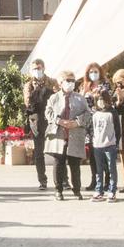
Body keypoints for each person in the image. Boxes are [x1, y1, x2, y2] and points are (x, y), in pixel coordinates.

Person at [45, 71, 88, 200]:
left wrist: (77, 122)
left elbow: (87, 113)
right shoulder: (54, 98)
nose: (70, 83)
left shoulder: (80, 98)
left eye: (72, 80)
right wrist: (59, 121)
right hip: (59, 134)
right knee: (59, 162)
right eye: (67, 80)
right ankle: (58, 190)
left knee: (75, 163)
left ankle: (76, 190)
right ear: (60, 82)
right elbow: (48, 112)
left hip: (74, 134)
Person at [23, 60, 55, 191]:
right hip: (36, 120)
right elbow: (27, 102)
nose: (37, 70)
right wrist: (36, 91)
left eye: (39, 68)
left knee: (57, 151)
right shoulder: (29, 84)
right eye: (35, 68)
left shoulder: (52, 82)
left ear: (44, 68)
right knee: (39, 153)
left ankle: (62, 180)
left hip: (51, 119)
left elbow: (57, 97)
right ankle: (42, 180)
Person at [87, 88, 121, 201]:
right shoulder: (95, 113)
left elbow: (117, 129)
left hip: (110, 145)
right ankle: (99, 190)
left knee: (111, 169)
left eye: (102, 99)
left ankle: (112, 190)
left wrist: (115, 143)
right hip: (97, 145)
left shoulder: (112, 112)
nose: (100, 101)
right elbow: (92, 128)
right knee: (98, 170)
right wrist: (93, 140)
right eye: (98, 99)